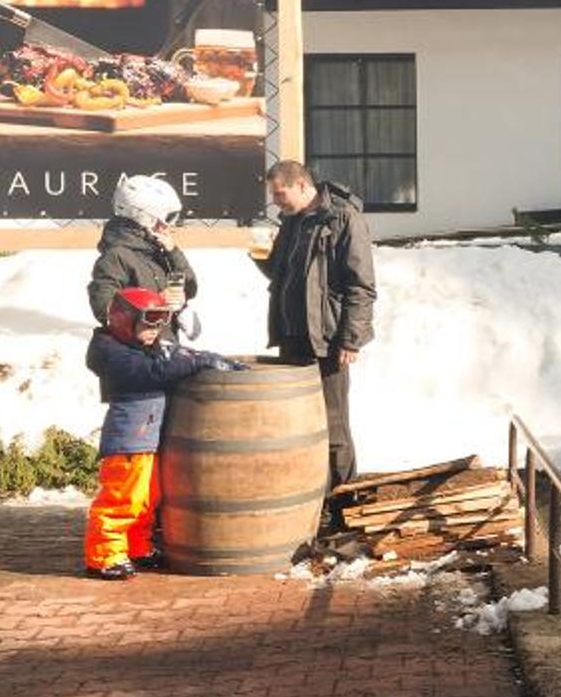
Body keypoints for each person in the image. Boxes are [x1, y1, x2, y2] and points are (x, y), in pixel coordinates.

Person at [83, 286, 238, 580]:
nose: (155, 331)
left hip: (147, 441)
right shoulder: (114, 355)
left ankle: (137, 546)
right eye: (149, 323)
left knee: (147, 498)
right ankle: (104, 555)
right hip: (128, 443)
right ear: (124, 322)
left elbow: (170, 356)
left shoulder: (139, 347)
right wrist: (197, 362)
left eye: (161, 323)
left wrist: (205, 356)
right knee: (123, 499)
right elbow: (155, 371)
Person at [257, 159, 377, 508]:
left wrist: (351, 338)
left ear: (301, 185)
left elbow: (361, 286)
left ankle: (343, 505)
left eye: (280, 194)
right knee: (299, 425)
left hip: (327, 340)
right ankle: (310, 502)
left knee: (332, 426)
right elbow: (283, 274)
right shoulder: (291, 221)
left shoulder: (343, 218)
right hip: (292, 337)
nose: (276, 203)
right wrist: (261, 256)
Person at [89, 175, 199, 342]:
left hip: (164, 346)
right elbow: (105, 309)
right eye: (167, 218)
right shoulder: (116, 256)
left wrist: (173, 252)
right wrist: (157, 301)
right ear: (146, 218)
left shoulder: (159, 250)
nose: (169, 225)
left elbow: (190, 288)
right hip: (136, 350)